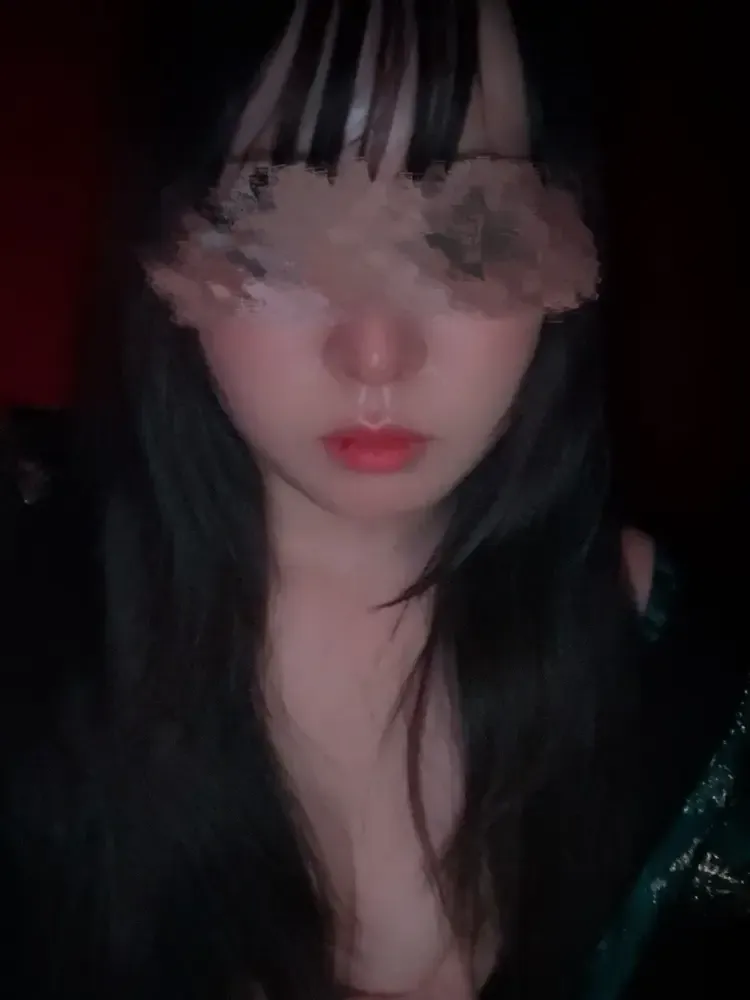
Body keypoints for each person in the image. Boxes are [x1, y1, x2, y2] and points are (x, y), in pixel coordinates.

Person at [0, 2, 746, 999]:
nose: (376, 351)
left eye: (470, 226)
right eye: (275, 224)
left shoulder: (695, 688)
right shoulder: (29, 633)